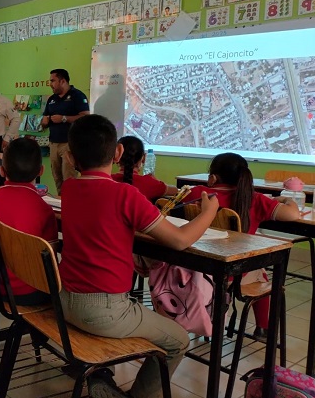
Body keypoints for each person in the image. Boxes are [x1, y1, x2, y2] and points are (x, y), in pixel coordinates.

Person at [59, 114, 218, 398]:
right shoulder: (125, 195)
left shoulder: (68, 188)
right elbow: (180, 240)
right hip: (105, 311)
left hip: (64, 301)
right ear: (117, 152)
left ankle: (101, 375)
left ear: (70, 158)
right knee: (179, 340)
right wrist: (208, 213)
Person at [183, 152, 300, 339]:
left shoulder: (199, 194)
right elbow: (292, 215)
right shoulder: (255, 199)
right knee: (260, 271)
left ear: (212, 178)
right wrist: (288, 200)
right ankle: (263, 328)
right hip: (235, 274)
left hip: (196, 269)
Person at [0, 137, 57, 305]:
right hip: (28, 290)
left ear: (1, 171)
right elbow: (50, 259)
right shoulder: (44, 210)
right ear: (41, 171)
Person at [40, 69, 89, 195]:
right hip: (53, 143)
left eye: (53, 81)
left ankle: (71, 202)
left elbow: (85, 117)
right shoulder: (52, 99)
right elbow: (44, 122)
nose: (50, 84)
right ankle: (61, 202)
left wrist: (64, 118)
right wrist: (44, 122)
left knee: (69, 178)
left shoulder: (77, 96)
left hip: (69, 144)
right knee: (57, 177)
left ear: (62, 81)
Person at [112, 136, 177, 201]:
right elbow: (176, 191)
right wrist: (155, 181)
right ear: (143, 158)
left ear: (116, 156)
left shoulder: (109, 180)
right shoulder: (149, 183)